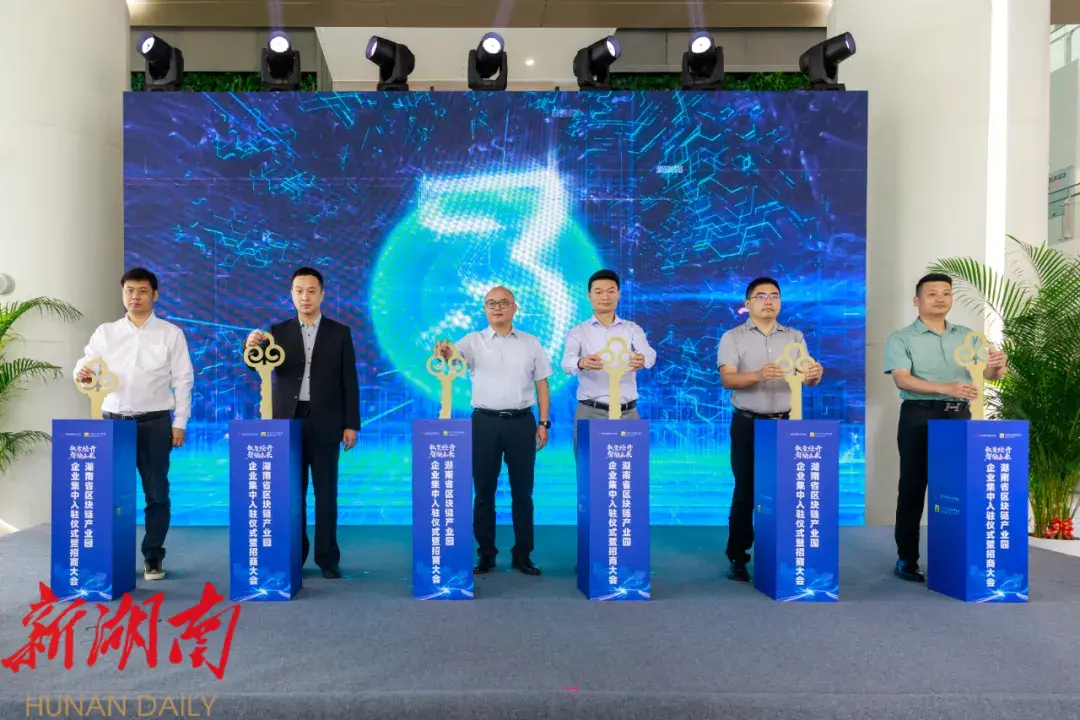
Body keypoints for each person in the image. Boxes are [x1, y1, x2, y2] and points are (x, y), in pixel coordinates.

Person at [884, 272, 1007, 582]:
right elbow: (902, 379)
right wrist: (946, 387)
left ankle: (954, 557)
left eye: (946, 293)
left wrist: (998, 366)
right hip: (919, 416)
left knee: (958, 488)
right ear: (917, 301)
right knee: (913, 487)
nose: (940, 298)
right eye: (932, 293)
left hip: (959, 418)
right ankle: (906, 558)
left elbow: (989, 375)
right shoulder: (902, 338)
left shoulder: (969, 337)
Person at [74, 267, 194, 582]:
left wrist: (180, 422)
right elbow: (87, 363)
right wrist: (83, 374)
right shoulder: (106, 332)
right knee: (111, 494)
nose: (135, 297)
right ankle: (112, 556)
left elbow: (183, 380)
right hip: (114, 424)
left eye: (142, 291)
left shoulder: (171, 333)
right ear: (122, 294)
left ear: (155, 295)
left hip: (155, 424)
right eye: (129, 290)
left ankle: (153, 556)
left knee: (157, 493)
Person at [245, 267, 360, 579]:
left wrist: (351, 424)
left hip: (327, 421)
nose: (305, 297)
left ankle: (328, 558)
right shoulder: (277, 332)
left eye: (311, 291)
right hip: (288, 423)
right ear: (291, 295)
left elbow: (349, 381)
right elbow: (257, 366)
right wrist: (250, 345)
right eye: (299, 291)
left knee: (326, 494)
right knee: (291, 494)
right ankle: (295, 554)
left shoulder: (339, 332)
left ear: (322, 294)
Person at [435, 286, 552, 576]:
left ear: (515, 307)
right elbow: (451, 359)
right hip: (484, 423)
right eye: (491, 303)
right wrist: (445, 352)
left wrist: (543, 422)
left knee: (523, 493)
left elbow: (542, 384)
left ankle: (523, 555)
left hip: (522, 422)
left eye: (503, 303)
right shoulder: (472, 341)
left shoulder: (531, 343)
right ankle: (486, 553)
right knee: (483, 491)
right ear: (484, 309)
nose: (497, 308)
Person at [717, 277, 824, 581]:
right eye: (761, 296)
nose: (769, 301)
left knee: (787, 491)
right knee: (746, 490)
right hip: (748, 423)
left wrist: (815, 374)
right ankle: (738, 556)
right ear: (747, 303)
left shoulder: (794, 337)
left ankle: (783, 554)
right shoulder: (733, 337)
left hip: (785, 424)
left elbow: (807, 379)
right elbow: (728, 379)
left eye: (774, 296)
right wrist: (759, 375)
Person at [561, 269, 656, 446]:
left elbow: (650, 354)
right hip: (590, 411)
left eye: (610, 291)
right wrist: (581, 362)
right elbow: (566, 363)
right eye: (598, 292)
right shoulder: (578, 332)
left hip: (627, 413)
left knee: (629, 463)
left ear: (618, 294)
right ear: (589, 295)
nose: (605, 297)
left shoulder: (632, 329)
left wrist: (642, 359)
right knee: (588, 463)